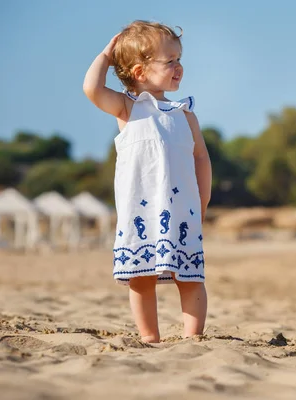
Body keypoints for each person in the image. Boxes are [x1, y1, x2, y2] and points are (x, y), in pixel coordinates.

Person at [83, 20, 212, 343]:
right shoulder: (128, 108)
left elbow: (201, 158)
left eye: (180, 59)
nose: (179, 67)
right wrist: (106, 55)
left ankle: (193, 337)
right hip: (140, 211)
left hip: (183, 209)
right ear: (140, 72)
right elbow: (92, 89)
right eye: (170, 61)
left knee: (191, 275)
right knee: (140, 277)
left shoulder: (185, 115)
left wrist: (203, 200)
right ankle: (148, 336)